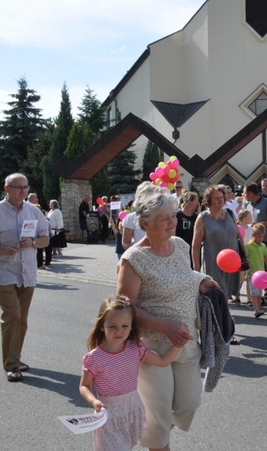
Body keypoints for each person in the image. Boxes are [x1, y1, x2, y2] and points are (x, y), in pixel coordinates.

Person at [116, 181, 219, 450]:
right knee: (159, 416)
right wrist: (164, 326)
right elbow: (124, 308)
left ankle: (152, 428)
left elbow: (182, 277)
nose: (172, 222)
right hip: (151, 348)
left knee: (189, 404)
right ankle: (156, 435)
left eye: (173, 216)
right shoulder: (133, 259)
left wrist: (200, 280)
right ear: (144, 223)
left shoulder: (180, 246)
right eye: (165, 219)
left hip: (185, 341)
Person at [79, 295, 189, 450]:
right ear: (101, 326)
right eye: (112, 326)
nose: (119, 331)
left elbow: (163, 361)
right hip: (109, 413)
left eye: (125, 326)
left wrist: (178, 344)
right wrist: (94, 401)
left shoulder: (135, 348)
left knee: (127, 447)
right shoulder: (94, 357)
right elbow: (84, 385)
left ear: (131, 326)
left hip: (132, 409)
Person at [0, 173, 50, 382]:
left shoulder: (34, 211)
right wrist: (0, 248)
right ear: (7, 189)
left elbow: (45, 238)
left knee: (22, 320)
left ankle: (15, 357)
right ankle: (11, 364)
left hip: (27, 272)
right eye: (18, 187)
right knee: (12, 314)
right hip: (2, 270)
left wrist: (33, 242)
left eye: (26, 187)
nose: (23, 191)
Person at [193, 186, 245, 303]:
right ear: (209, 200)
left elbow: (239, 236)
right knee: (216, 295)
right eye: (216, 198)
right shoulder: (203, 218)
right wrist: (196, 270)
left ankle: (224, 319)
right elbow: (195, 246)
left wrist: (244, 257)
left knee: (226, 296)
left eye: (221, 197)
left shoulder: (230, 214)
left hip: (232, 263)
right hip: (213, 265)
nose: (220, 200)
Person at [245, 183, 267, 295]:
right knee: (255, 267)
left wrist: (260, 225)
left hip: (266, 240)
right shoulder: (248, 205)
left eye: (246, 192)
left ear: (251, 193)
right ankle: (258, 293)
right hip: (253, 242)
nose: (244, 195)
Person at [245, 223, 267, 318]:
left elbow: (266, 258)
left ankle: (258, 307)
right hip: (252, 274)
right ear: (253, 235)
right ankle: (256, 309)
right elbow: (246, 259)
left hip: (261, 274)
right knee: (254, 292)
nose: (260, 238)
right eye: (258, 236)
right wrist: (247, 269)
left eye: (262, 236)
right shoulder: (248, 246)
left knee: (259, 293)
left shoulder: (263, 246)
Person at [29, 193, 53, 269]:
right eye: (36, 198)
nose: (37, 200)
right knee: (38, 250)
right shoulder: (28, 209)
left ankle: (43, 263)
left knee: (42, 249)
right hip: (33, 236)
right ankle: (39, 264)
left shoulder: (35, 211)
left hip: (40, 235)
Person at [176, 191, 199, 265]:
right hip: (179, 251)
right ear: (190, 202)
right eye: (196, 200)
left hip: (192, 250)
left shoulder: (196, 217)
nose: (198, 203)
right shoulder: (178, 216)